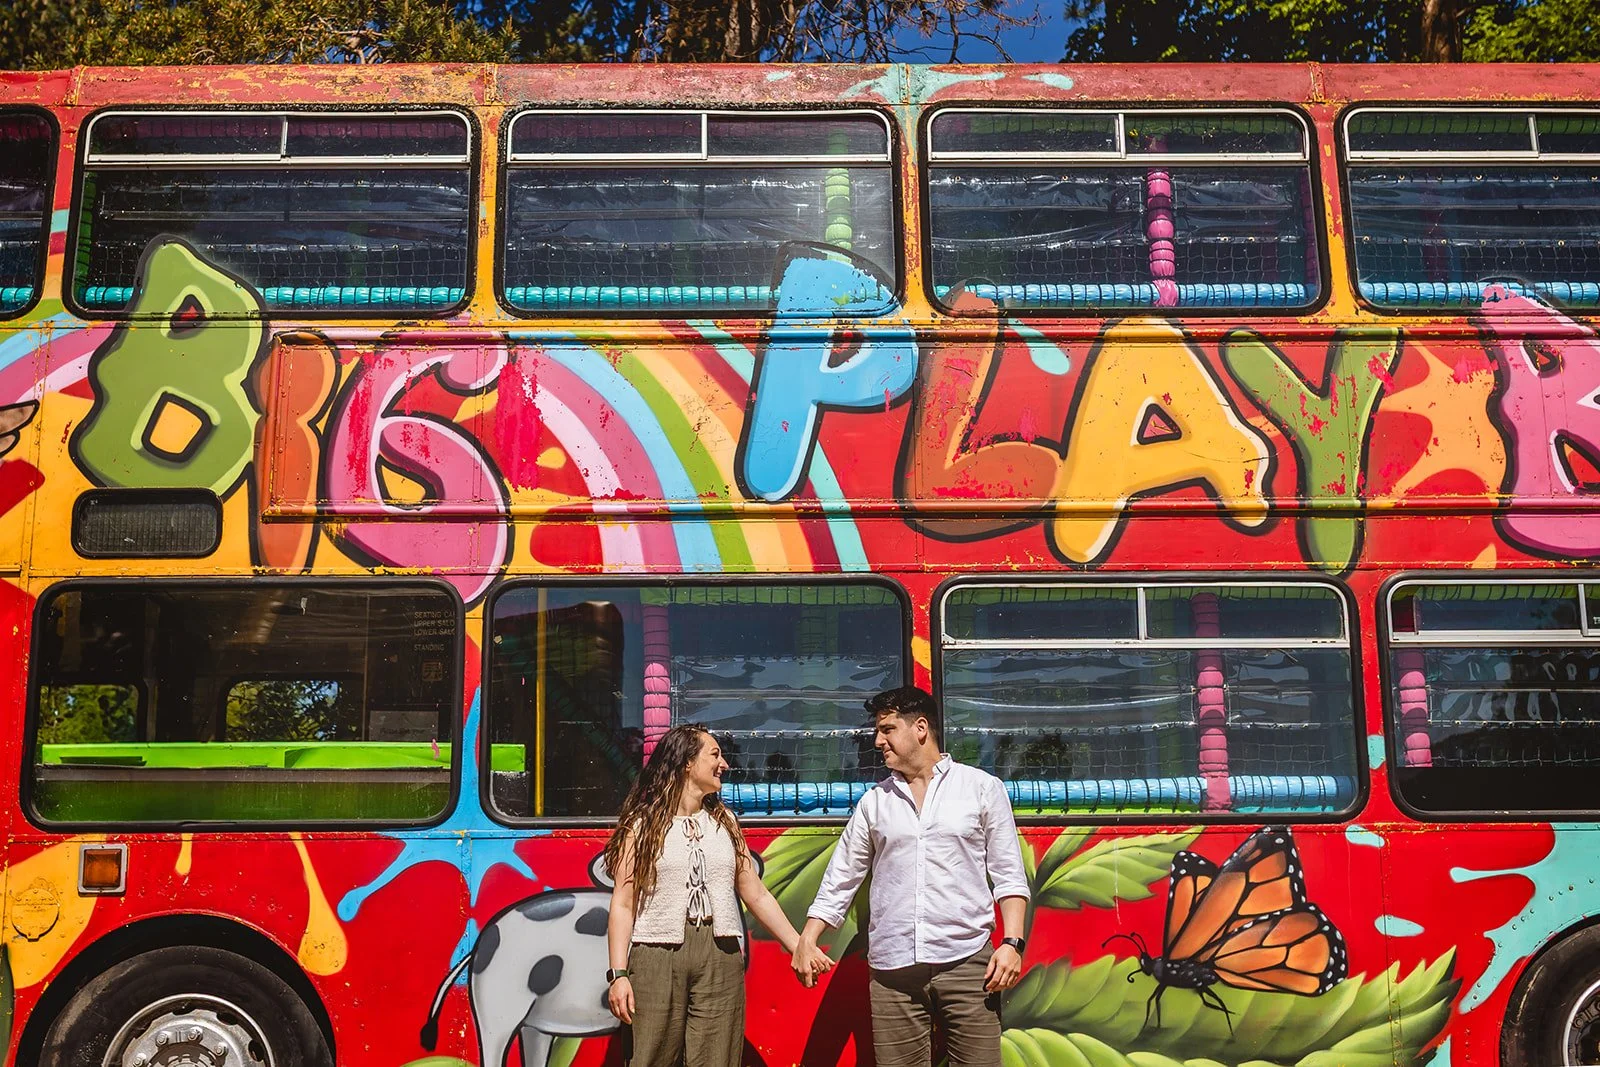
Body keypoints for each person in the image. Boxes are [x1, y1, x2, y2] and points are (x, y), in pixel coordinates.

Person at [791, 685, 1030, 1067]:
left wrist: (1012, 944)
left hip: (968, 963)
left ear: (920, 728)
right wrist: (808, 938)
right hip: (893, 972)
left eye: (887, 729)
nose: (877, 741)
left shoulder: (981, 788)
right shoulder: (874, 803)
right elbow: (842, 877)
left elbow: (1009, 874)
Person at [604, 722, 830, 1067]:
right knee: (650, 1057)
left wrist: (797, 944)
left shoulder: (725, 822)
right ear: (687, 763)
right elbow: (623, 904)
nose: (724, 764)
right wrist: (619, 975)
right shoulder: (642, 825)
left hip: (720, 954)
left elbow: (756, 893)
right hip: (656, 956)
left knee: (718, 1059)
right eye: (715, 755)